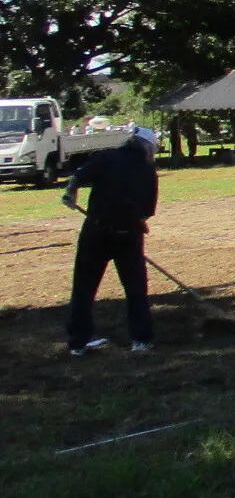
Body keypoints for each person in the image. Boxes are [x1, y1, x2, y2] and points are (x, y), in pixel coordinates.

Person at [61, 126, 160, 356]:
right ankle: (140, 340)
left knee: (84, 288)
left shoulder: (104, 157)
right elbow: (147, 210)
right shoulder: (147, 170)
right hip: (128, 234)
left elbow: (77, 178)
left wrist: (70, 193)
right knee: (136, 289)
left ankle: (78, 343)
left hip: (96, 231)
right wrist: (138, 220)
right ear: (147, 148)